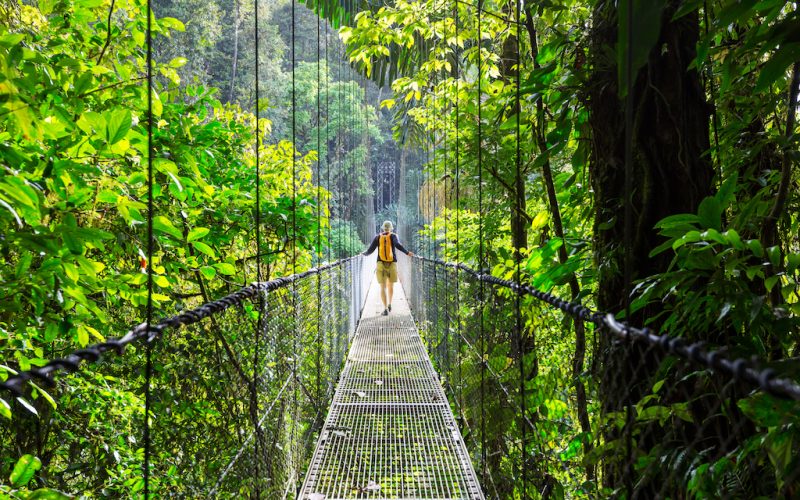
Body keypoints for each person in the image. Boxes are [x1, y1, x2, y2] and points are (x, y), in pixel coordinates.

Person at [363, 220, 414, 315]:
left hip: (380, 263)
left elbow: (370, 250)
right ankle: (390, 303)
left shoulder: (378, 237)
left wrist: (363, 254)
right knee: (391, 285)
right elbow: (398, 245)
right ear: (391, 228)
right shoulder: (393, 236)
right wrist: (407, 252)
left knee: (382, 287)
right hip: (392, 263)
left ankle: (385, 308)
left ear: (383, 228)